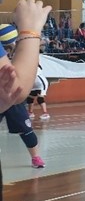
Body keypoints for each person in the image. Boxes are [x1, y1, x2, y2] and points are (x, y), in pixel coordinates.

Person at [0, 26, 47, 168]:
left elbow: (40, 45)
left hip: (13, 97)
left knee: (26, 129)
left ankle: (36, 157)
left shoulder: (19, 53)